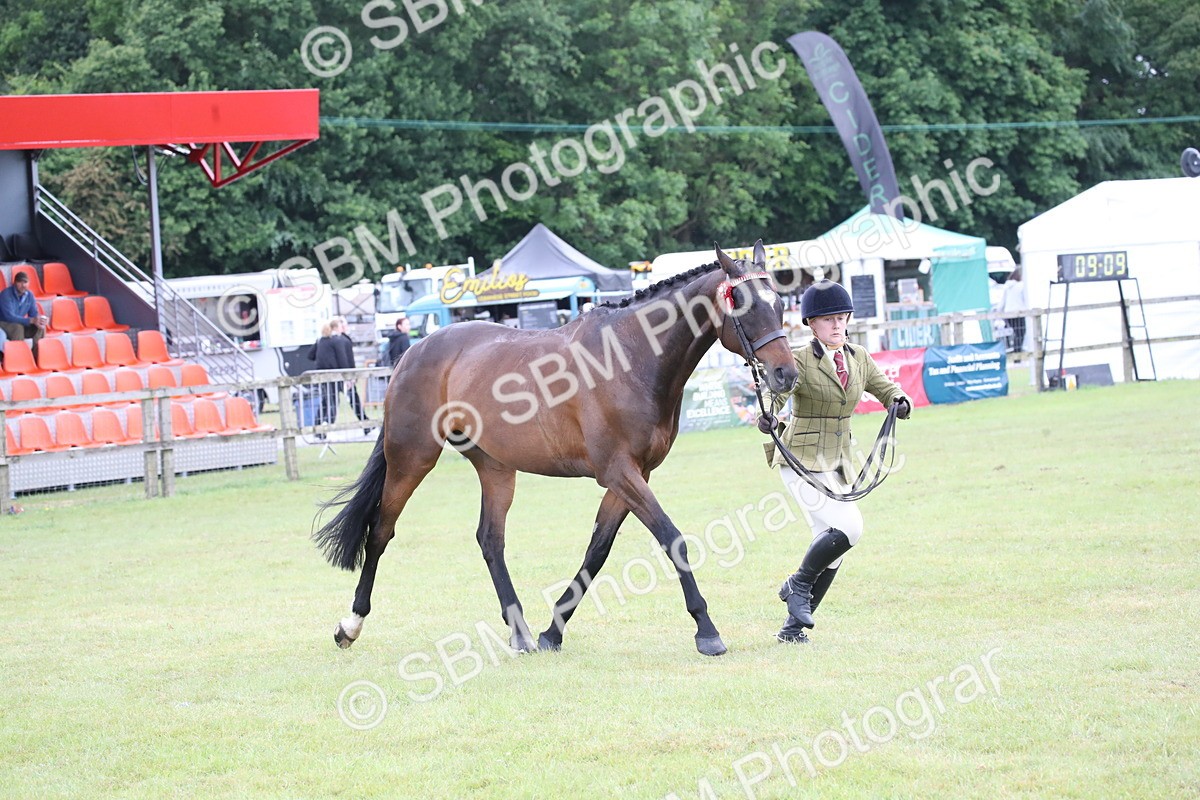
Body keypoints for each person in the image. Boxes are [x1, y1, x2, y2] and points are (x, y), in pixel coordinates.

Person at [758, 280, 912, 644]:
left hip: (839, 461)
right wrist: (768, 415)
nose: (838, 325)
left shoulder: (858, 357)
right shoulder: (798, 358)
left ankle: (792, 631)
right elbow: (776, 393)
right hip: (801, 459)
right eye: (829, 319)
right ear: (812, 324)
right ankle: (796, 585)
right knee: (850, 528)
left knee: (831, 548)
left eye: (842, 317)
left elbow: (885, 387)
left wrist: (900, 400)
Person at [331, 316, 370, 434]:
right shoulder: (341, 340)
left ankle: (366, 423)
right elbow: (345, 359)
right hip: (343, 376)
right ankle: (365, 423)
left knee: (335, 400)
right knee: (347, 400)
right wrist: (349, 376)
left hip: (340, 376)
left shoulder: (339, 340)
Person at [0, 271, 47, 359]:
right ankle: (17, 359)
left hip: (19, 322)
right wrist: (30, 320)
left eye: (25, 282)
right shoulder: (6, 294)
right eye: (20, 282)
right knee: (18, 328)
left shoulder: (30, 295)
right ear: (15, 283)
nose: (23, 285)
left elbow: (33, 313)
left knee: (40, 327)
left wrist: (39, 319)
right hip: (3, 323)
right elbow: (9, 317)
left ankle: (36, 358)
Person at [310, 320, 341, 435]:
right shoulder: (334, 342)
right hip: (332, 375)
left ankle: (318, 423)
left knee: (325, 400)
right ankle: (328, 423)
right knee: (332, 400)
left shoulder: (319, 342)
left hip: (321, 375)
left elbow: (310, 355)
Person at [1001, 267, 1028, 353]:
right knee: (1021, 333)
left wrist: (998, 312)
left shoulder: (1007, 286)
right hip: (1018, 312)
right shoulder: (1021, 286)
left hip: (1008, 313)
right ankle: (1017, 352)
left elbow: (1002, 301)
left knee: (1016, 333)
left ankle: (1016, 351)